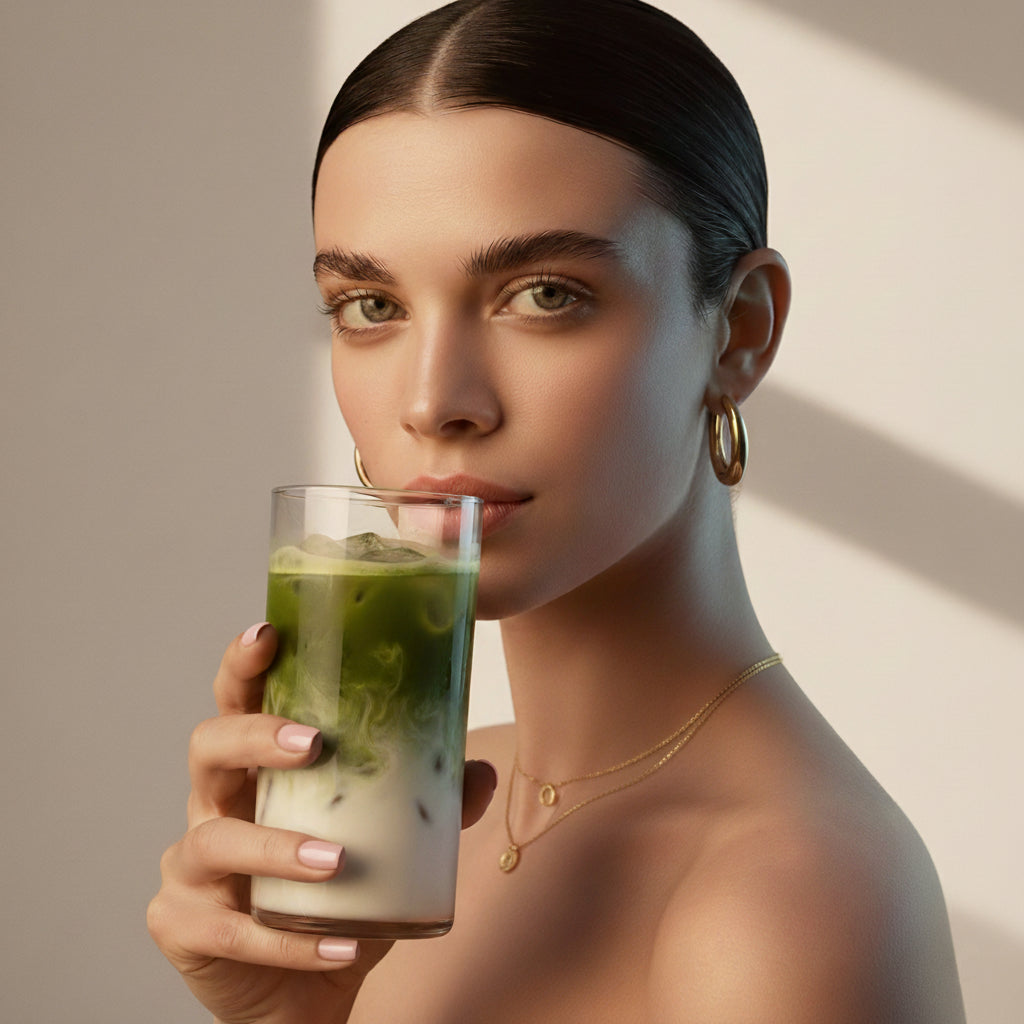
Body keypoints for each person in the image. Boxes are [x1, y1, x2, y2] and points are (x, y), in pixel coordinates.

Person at [147, 1, 966, 1020]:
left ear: (739, 332)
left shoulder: (789, 893)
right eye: (373, 306)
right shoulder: (429, 809)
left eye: (543, 294)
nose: (432, 399)